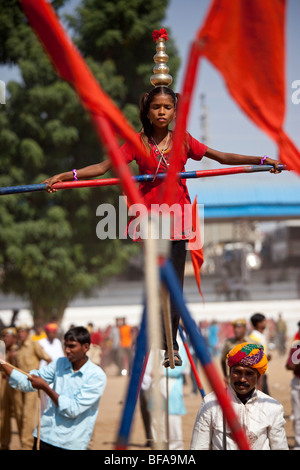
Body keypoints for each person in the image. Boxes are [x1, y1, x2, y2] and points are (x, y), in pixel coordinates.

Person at [43, 29, 281, 368]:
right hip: (150, 219)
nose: (162, 112)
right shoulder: (135, 142)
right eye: (156, 107)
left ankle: (173, 346)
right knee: (157, 282)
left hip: (180, 218)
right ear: (148, 109)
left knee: (175, 283)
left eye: (168, 107)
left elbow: (220, 156)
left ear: (174, 109)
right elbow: (102, 166)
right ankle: (159, 339)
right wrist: (65, 177)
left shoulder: (182, 140)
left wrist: (260, 160)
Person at [0, 326, 107, 450]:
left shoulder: (96, 376)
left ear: (86, 347)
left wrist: (45, 387)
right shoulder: (59, 363)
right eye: (65, 346)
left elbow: (73, 409)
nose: (67, 350)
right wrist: (3, 363)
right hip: (45, 437)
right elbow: (27, 381)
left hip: (71, 443)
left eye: (72, 346)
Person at [191, 342, 288, 450]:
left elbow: (280, 447)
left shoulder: (272, 407)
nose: (242, 379)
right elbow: (198, 446)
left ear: (258, 376)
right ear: (230, 372)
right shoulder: (210, 403)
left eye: (249, 374)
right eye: (237, 372)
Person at [13, 325, 52, 450]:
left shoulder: (34, 345)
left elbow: (48, 358)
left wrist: (42, 375)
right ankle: (23, 440)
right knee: (18, 414)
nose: (20, 334)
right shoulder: (17, 348)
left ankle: (26, 445)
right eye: (19, 332)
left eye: (23, 332)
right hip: (18, 384)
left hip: (30, 384)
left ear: (28, 333)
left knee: (27, 414)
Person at [0, 327, 22, 450]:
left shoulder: (18, 350)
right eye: (4, 336)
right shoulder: (2, 349)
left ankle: (25, 444)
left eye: (8, 336)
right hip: (3, 384)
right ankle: (4, 444)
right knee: (4, 414)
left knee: (19, 413)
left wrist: (13, 357)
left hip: (16, 385)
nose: (5, 339)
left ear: (14, 338)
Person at [38, 323, 64, 411]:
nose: (52, 334)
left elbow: (61, 357)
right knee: (45, 403)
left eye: (54, 332)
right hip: (45, 376)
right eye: (50, 332)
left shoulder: (57, 342)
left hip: (57, 375)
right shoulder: (41, 343)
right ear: (46, 332)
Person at [220, 318, 249, 383]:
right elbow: (222, 360)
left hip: (248, 377)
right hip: (234, 378)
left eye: (239, 327)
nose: (236, 330)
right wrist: (225, 376)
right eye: (235, 328)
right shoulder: (228, 342)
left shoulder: (252, 342)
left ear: (244, 329)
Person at [249, 312, 271, 394]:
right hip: (258, 373)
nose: (266, 323)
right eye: (264, 321)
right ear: (259, 324)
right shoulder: (253, 338)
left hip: (263, 371)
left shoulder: (261, 336)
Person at [286, 339, 300, 450]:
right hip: (297, 383)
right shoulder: (296, 346)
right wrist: (297, 366)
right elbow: (288, 365)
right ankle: (298, 444)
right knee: (297, 416)